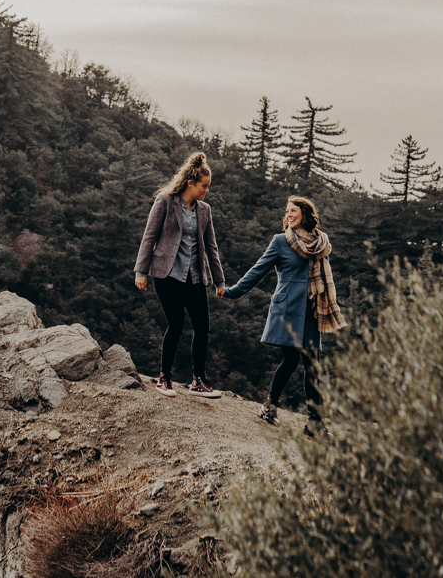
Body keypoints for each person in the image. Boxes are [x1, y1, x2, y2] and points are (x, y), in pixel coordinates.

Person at [220, 194, 341, 431]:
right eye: (286, 211)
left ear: (305, 214)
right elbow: (258, 270)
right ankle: (270, 407)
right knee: (292, 358)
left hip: (311, 310)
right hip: (286, 309)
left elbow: (323, 279)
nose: (288, 215)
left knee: (313, 363)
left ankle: (315, 421)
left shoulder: (320, 243)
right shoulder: (280, 241)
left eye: (293, 211)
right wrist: (234, 291)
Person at [133, 151, 227, 397]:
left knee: (202, 327)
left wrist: (220, 281)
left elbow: (211, 247)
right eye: (203, 186)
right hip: (167, 275)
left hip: (195, 277)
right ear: (190, 184)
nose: (206, 191)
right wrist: (141, 271)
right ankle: (164, 378)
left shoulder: (204, 210)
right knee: (176, 324)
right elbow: (149, 237)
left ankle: (198, 381)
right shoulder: (165, 201)